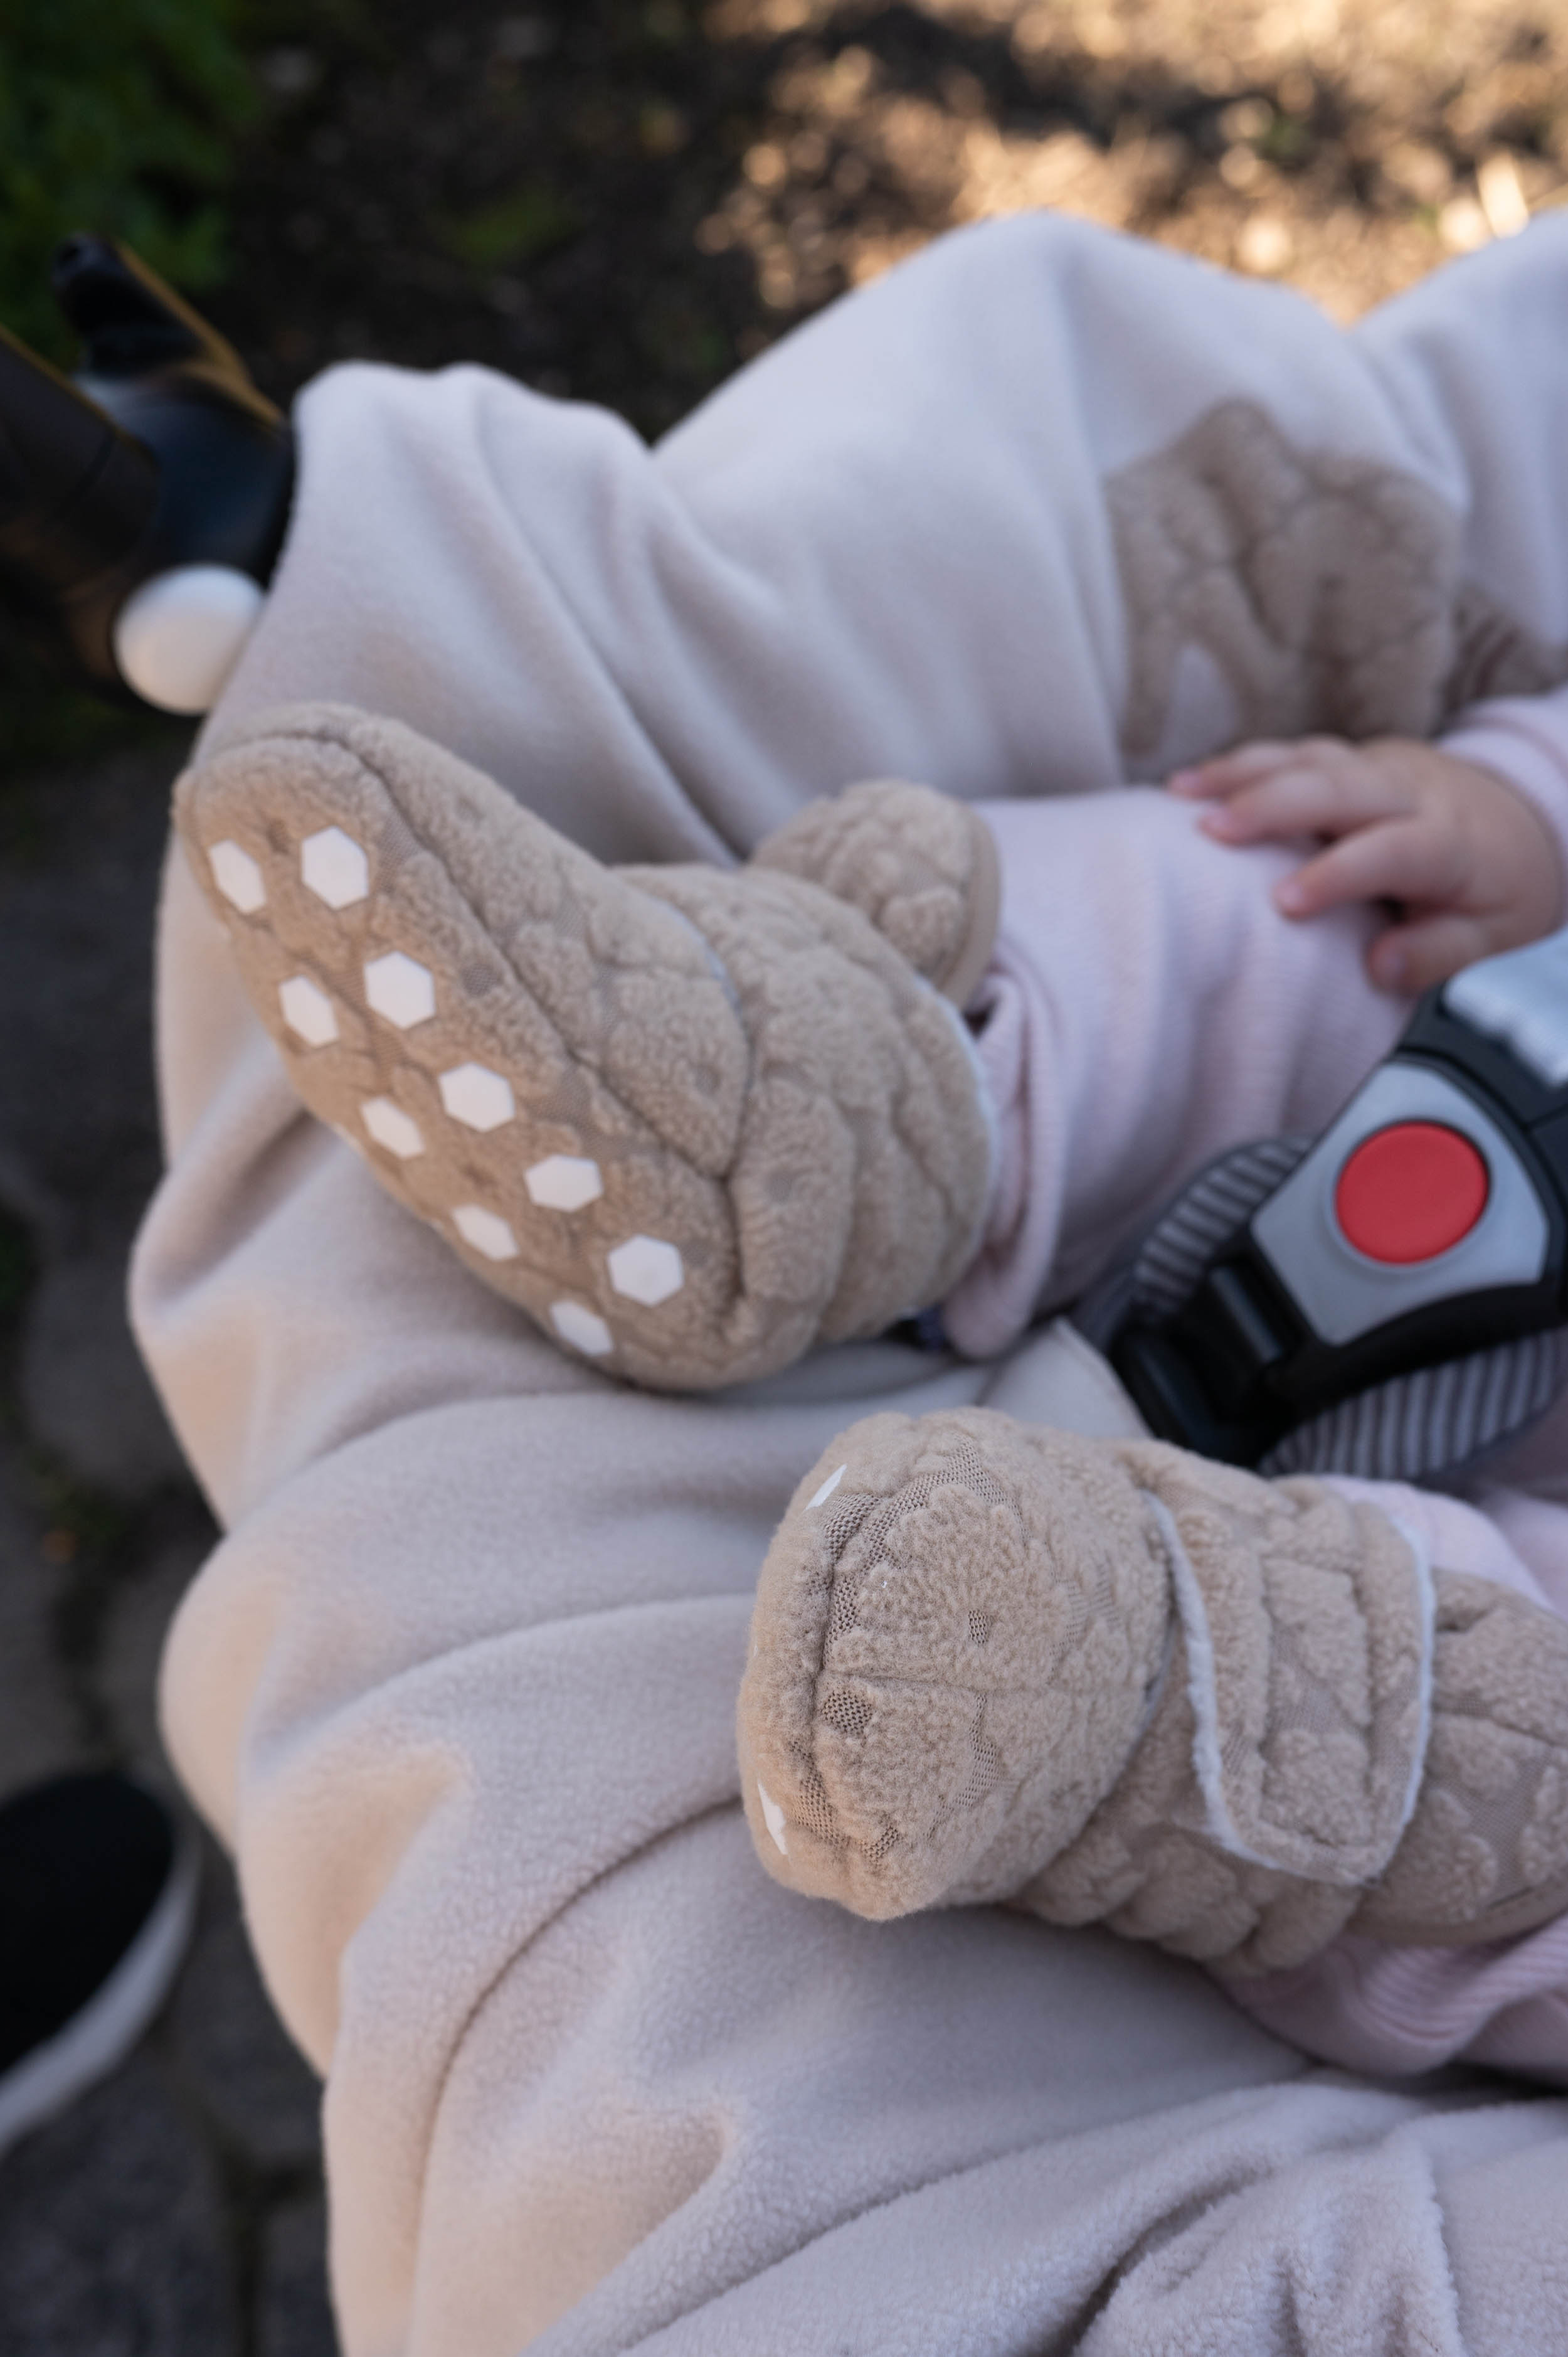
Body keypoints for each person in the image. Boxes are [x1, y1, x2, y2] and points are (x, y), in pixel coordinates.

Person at [139, 210, 1568, 2351]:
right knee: (1258, 885)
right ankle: (798, 1097)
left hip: (1474, 1623)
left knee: (1505, 1775)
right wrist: (1515, 803)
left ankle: (1173, 1703)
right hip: (1493, 1029)